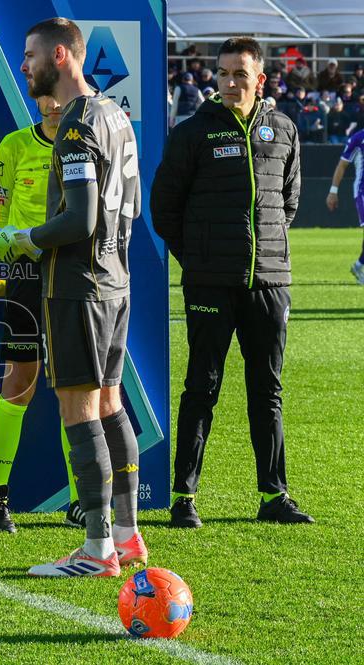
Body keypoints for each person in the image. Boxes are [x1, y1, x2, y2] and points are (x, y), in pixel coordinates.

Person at [0, 17, 145, 578]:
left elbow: (80, 218)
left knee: (80, 407)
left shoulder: (78, 122)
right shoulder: (117, 116)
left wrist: (23, 239)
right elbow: (131, 209)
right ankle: (127, 537)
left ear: (60, 55)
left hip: (79, 286)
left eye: (29, 56)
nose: (24, 66)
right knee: (109, 403)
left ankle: (97, 549)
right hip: (117, 282)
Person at [151, 36, 314, 528]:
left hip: (269, 283)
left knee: (267, 389)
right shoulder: (192, 132)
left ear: (259, 79)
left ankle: (273, 496)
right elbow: (164, 209)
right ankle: (184, 497)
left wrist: (264, 254)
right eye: (222, 73)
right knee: (201, 387)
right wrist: (198, 258)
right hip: (208, 284)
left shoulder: (283, 129)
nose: (229, 82)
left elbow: (288, 203)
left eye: (240, 73)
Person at [0, 89, 86, 531]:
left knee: (76, 387)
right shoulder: (13, 145)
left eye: (58, 96)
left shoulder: (86, 141)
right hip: (26, 275)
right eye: (44, 97)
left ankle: (81, 500)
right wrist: (4, 240)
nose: (52, 104)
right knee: (18, 383)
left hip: (72, 275)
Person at [325, 128, 364, 284]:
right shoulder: (359, 137)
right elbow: (342, 165)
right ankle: (359, 265)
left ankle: (359, 265)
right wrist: (333, 191)